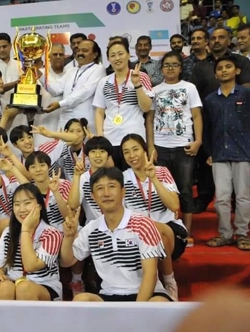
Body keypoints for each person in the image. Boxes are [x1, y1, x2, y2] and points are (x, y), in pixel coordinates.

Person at [60, 167, 172, 302]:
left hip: (146, 293)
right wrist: (69, 237)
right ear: (94, 196)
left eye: (112, 186)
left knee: (159, 303)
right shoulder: (91, 229)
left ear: (123, 191)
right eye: (100, 188)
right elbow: (67, 262)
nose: (106, 193)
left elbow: (151, 275)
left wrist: (135, 311)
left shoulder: (143, 225)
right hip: (109, 294)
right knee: (80, 299)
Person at [121, 134, 187, 301]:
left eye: (135, 149)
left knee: (160, 235)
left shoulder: (162, 172)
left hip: (169, 230)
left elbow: (174, 206)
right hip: (137, 234)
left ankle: (169, 280)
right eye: (126, 152)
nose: (132, 155)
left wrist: (154, 179)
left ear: (145, 150)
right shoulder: (122, 178)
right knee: (151, 233)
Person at [147, 51, 203, 247]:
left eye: (174, 65)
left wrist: (198, 141)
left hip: (184, 146)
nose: (170, 68)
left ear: (180, 68)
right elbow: (150, 120)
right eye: (166, 65)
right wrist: (151, 147)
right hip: (161, 147)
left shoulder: (189, 88)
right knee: (161, 191)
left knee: (185, 189)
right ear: (161, 69)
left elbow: (196, 116)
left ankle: (186, 231)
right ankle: (167, 229)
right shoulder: (155, 90)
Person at [203, 55, 250, 250]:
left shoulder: (246, 95)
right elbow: (207, 128)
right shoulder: (210, 99)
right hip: (219, 153)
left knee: (243, 196)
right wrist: (209, 151)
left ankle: (242, 233)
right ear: (215, 74)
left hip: (244, 152)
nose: (223, 70)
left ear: (237, 71)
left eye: (228, 67)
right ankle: (225, 233)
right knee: (221, 197)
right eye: (220, 68)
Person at [0, 183, 63, 301]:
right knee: (4, 287)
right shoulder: (8, 232)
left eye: (27, 203)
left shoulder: (51, 233)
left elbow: (31, 266)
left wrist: (25, 230)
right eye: (17, 204)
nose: (22, 209)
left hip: (43, 285)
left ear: (39, 206)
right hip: (13, 282)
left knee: (24, 288)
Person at [93, 40, 154, 170]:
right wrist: (100, 136)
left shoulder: (141, 76)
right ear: (108, 59)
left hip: (134, 139)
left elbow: (146, 107)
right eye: (113, 55)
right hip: (110, 140)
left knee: (135, 180)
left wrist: (137, 84)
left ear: (128, 55)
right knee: (114, 181)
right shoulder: (103, 82)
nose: (117, 58)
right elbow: (99, 111)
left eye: (120, 53)